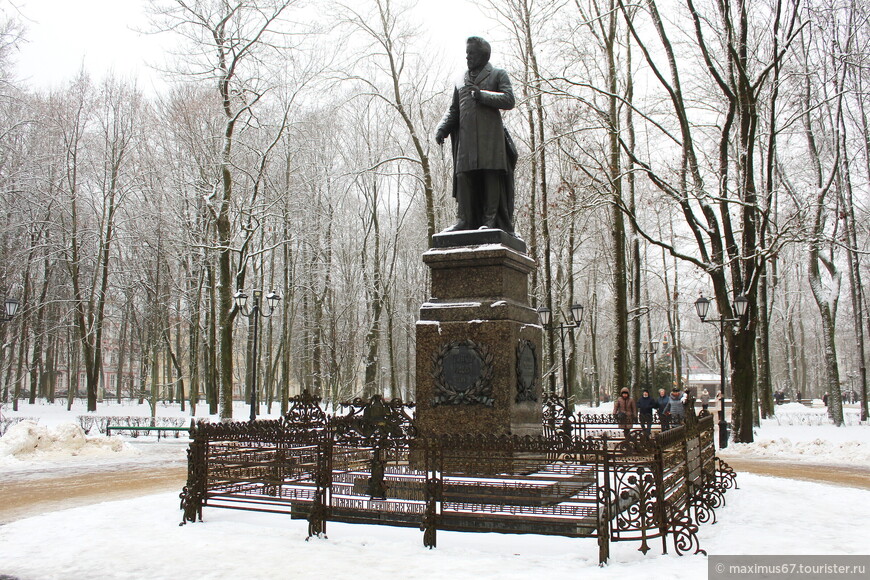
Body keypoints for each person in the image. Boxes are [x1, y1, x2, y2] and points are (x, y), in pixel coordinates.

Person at [436, 37, 517, 233]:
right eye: (467, 52)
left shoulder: (497, 74)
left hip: (490, 139)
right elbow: (454, 109)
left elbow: (509, 99)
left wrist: (483, 95)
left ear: (482, 55)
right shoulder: (460, 80)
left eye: (471, 53)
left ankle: (489, 221)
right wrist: (443, 128)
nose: (467, 56)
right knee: (464, 177)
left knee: (490, 176)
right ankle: (464, 219)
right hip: (466, 141)